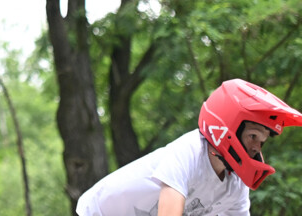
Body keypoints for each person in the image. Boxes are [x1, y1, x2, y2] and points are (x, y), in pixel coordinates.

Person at [76, 79, 302, 216]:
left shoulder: (236, 185)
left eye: (261, 141)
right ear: (226, 127)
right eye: (253, 136)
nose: (256, 147)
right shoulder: (189, 152)